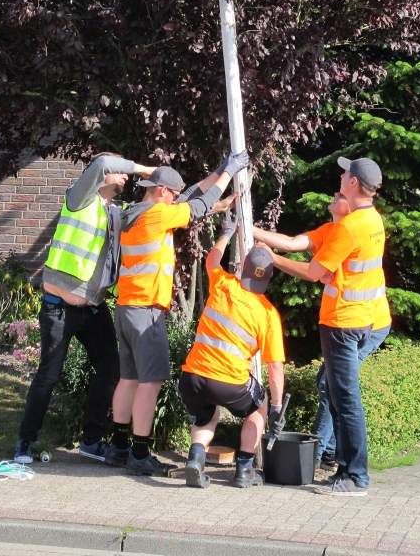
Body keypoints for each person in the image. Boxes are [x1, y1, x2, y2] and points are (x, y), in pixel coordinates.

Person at [107, 152, 250, 476]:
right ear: (161, 192)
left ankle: (119, 447)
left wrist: (219, 170)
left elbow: (190, 197)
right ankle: (139, 453)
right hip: (147, 312)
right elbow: (198, 205)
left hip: (127, 308)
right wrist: (229, 171)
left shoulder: (136, 212)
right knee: (151, 382)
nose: (175, 199)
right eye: (172, 194)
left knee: (129, 379)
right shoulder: (158, 214)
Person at [14, 153, 157, 464]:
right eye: (121, 170)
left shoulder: (117, 212)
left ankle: (91, 442)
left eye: (127, 172)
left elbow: (163, 206)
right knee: (48, 376)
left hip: (93, 309)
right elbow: (102, 162)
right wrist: (145, 168)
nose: (126, 176)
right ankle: (25, 442)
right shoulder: (79, 199)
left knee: (111, 370)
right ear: (101, 175)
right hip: (58, 309)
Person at [263, 157, 385, 496]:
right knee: (336, 394)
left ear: (354, 184)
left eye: (345, 174)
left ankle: (355, 477)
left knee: (346, 400)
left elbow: (314, 273)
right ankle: (343, 468)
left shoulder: (349, 227)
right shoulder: (372, 219)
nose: (340, 178)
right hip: (359, 320)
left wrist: (272, 259)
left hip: (343, 324)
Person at [179, 211, 285, 489]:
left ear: (243, 267)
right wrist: (276, 407)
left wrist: (226, 233)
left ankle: (196, 458)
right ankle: (245, 469)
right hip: (229, 383)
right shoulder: (268, 314)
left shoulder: (224, 284)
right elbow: (275, 367)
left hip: (192, 377)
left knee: (207, 415)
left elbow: (211, 260)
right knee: (259, 404)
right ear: (269, 276)